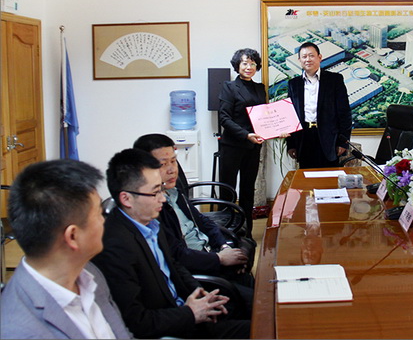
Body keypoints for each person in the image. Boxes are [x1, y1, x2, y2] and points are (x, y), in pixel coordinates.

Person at [93, 148, 250, 339]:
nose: (162, 198)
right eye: (155, 192)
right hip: (172, 327)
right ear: (126, 198)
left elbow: (174, 264)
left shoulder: (151, 221)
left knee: (255, 308)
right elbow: (137, 322)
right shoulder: (115, 247)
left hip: (186, 310)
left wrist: (199, 293)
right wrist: (190, 313)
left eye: (161, 189)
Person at [1, 159, 131, 339]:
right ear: (73, 236)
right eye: (99, 214)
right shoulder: (20, 330)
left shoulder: (89, 273)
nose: (104, 220)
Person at [133, 133, 254, 311]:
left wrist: (224, 247)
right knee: (257, 303)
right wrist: (219, 259)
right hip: (197, 272)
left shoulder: (173, 191)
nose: (172, 170)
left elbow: (203, 221)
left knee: (251, 277)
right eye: (162, 164)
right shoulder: (152, 208)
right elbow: (178, 256)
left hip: (209, 256)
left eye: (174, 161)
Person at [218, 48, 284, 237]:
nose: (249, 67)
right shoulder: (229, 87)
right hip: (232, 146)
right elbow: (224, 118)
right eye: (245, 63)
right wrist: (246, 134)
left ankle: (247, 232)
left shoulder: (259, 88)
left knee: (248, 190)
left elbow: (264, 116)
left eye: (253, 64)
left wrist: (277, 130)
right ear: (237, 65)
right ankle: (226, 232)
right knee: (228, 190)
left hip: (253, 147)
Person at [286, 41, 353, 169]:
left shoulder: (334, 80)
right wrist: (291, 144)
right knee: (306, 177)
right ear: (299, 60)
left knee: (329, 177)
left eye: (311, 55)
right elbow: (291, 115)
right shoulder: (294, 84)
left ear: (319, 57)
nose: (308, 59)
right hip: (304, 138)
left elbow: (344, 113)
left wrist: (343, 142)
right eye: (304, 56)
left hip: (329, 139)